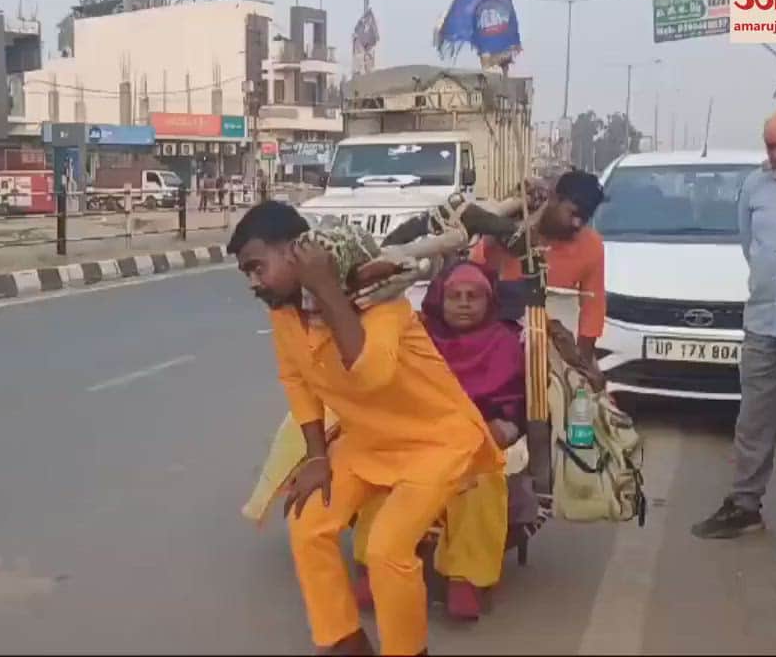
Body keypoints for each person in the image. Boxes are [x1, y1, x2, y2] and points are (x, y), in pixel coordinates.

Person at [229, 202, 501, 656]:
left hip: (436, 439)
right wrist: (317, 457)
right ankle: (342, 641)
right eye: (247, 274)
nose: (254, 283)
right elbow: (296, 380)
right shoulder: (285, 314)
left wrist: (326, 291)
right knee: (308, 522)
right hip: (366, 440)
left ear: (300, 253)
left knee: (386, 549)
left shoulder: (382, 304)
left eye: (257, 267)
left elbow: (371, 376)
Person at [351, 261, 525, 622]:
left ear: (488, 301)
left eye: (473, 296)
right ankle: (374, 568)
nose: (464, 303)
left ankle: (466, 579)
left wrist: (494, 432)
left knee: (480, 480)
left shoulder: (504, 341)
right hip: (418, 433)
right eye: (455, 296)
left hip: (476, 438)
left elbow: (514, 407)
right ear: (439, 300)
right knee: (384, 476)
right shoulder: (419, 334)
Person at [692, 104, 776, 544]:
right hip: (765, 323)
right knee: (753, 421)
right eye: (769, 145)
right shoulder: (756, 184)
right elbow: (750, 246)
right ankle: (744, 505)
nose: (773, 154)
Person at [472, 170, 607, 370]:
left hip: (556, 350)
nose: (577, 223)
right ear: (554, 198)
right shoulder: (512, 231)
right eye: (573, 213)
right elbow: (475, 274)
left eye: (584, 218)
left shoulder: (591, 246)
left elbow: (593, 308)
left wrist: (582, 365)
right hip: (499, 341)